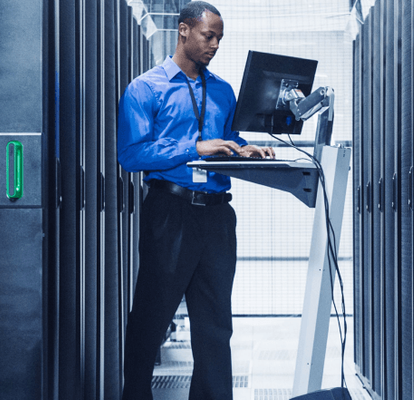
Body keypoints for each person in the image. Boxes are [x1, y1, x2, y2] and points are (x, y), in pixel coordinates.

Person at [117, 2, 274, 399]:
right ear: (184, 30)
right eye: (209, 35)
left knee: (216, 325)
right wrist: (195, 147)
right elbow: (132, 154)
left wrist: (245, 148)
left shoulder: (222, 90)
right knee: (151, 318)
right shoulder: (145, 88)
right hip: (170, 212)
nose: (216, 44)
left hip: (218, 217)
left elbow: (228, 141)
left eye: (220, 38)